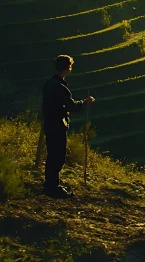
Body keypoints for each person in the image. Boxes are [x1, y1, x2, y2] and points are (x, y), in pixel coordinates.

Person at [42, 55, 94, 198]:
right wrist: (84, 103)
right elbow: (71, 106)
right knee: (57, 157)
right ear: (67, 68)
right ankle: (53, 187)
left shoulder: (49, 83)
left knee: (52, 155)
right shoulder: (60, 87)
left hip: (49, 124)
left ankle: (50, 185)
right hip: (57, 125)